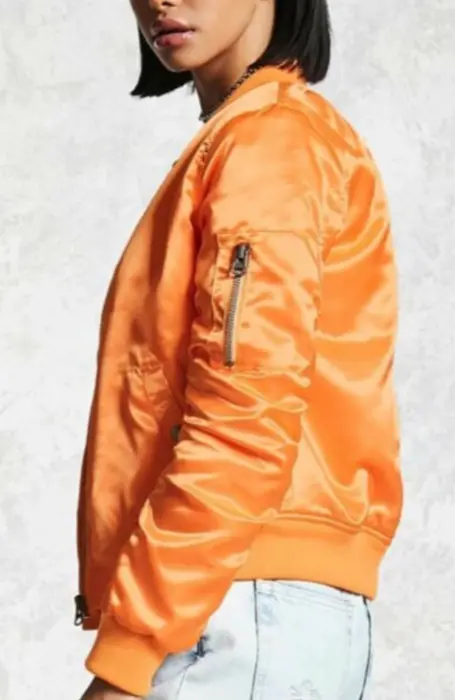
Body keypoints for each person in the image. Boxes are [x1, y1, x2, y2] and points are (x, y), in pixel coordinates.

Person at [77, 1, 403, 698]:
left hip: (234, 602)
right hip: (255, 602)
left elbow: (244, 417)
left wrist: (131, 654)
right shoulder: (261, 136)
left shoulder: (270, 143)